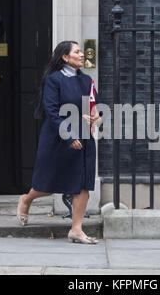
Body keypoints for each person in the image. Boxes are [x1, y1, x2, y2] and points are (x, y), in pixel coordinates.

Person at [16, 41, 101, 244]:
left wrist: (96, 116)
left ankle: (76, 229)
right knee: (51, 181)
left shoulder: (87, 80)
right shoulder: (54, 80)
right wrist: (69, 136)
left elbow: (93, 107)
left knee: (82, 183)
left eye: (81, 52)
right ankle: (26, 199)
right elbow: (52, 112)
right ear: (65, 57)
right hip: (59, 137)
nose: (82, 55)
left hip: (84, 136)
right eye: (77, 52)